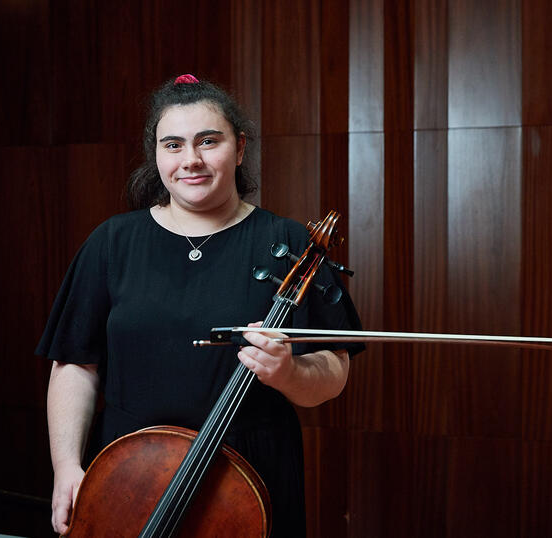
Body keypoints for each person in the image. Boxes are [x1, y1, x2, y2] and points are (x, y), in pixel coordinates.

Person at [36, 74, 363, 537]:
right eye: (173, 145)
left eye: (208, 141)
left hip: (250, 476)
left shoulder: (289, 243)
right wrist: (66, 466)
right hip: (128, 476)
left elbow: (333, 371)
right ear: (156, 154)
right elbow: (74, 365)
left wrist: (287, 372)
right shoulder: (112, 242)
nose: (191, 160)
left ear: (240, 147)